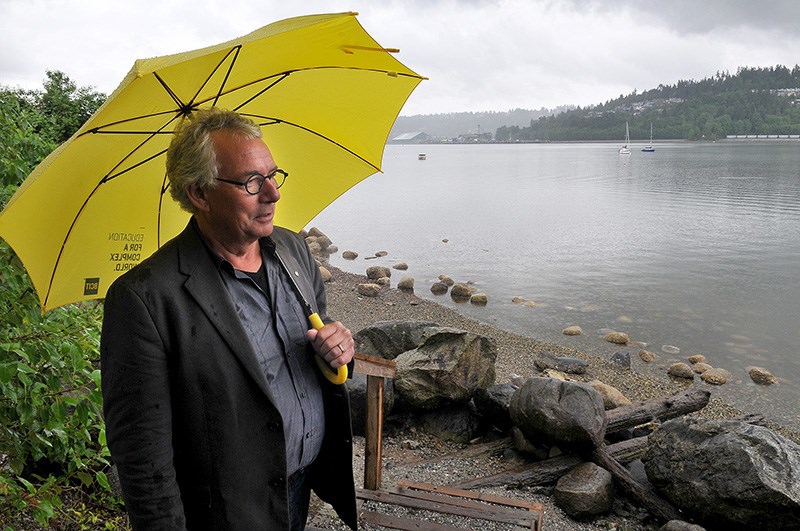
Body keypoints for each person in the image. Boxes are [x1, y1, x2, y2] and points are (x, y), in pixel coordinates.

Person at [100, 107, 357, 530]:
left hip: (301, 487)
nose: (273, 194)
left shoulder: (292, 251)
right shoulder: (144, 299)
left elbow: (320, 335)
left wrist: (338, 347)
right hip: (226, 513)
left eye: (274, 175)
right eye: (252, 182)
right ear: (199, 193)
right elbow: (143, 457)